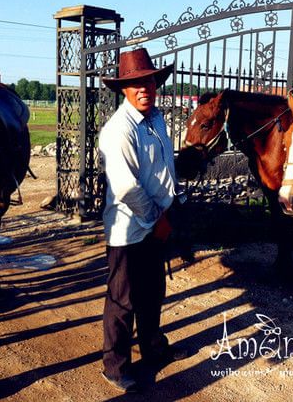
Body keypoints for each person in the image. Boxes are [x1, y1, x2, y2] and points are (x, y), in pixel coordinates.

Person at [98, 48, 188, 393]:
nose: (143, 88)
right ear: (124, 88)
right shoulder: (118, 130)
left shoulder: (157, 120)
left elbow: (163, 169)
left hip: (158, 222)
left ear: (156, 82)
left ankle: (152, 345)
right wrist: (156, 220)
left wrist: (172, 205)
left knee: (153, 292)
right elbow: (126, 187)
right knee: (122, 299)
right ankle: (115, 366)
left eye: (148, 81)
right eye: (135, 83)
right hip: (130, 229)